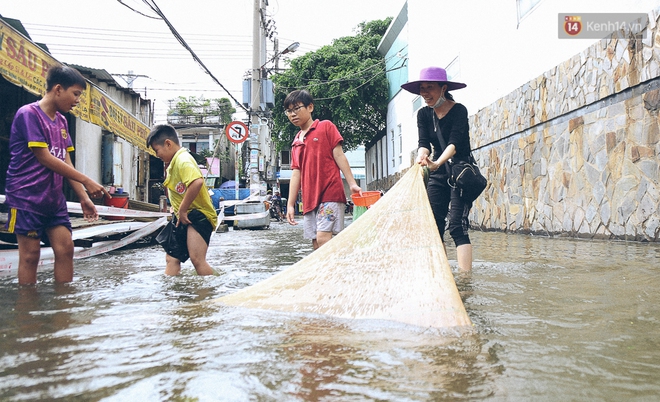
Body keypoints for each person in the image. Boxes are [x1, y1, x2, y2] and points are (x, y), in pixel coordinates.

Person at [5, 65, 109, 285]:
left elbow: (65, 160)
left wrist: (83, 198)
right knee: (30, 256)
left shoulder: (61, 122)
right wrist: (87, 180)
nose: (77, 100)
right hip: (26, 198)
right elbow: (44, 157)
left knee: (66, 250)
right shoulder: (29, 114)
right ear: (58, 89)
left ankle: (64, 310)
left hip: (53, 201)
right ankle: (27, 314)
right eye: (76, 94)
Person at [401, 66, 474, 271]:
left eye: (429, 88)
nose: (424, 93)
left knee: (457, 226)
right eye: (422, 88)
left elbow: (454, 143)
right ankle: (443, 276)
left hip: (460, 172)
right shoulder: (423, 114)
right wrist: (422, 156)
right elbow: (423, 142)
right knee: (434, 225)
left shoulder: (459, 110)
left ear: (443, 88)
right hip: (438, 173)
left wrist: (437, 162)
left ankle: (465, 281)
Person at [284, 89, 362, 249]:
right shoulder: (296, 142)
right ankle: (328, 273)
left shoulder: (326, 127)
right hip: (309, 200)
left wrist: (352, 183)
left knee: (323, 238)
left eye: (297, 108)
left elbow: (339, 156)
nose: (293, 114)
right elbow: (296, 173)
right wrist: (290, 205)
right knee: (316, 244)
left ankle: (339, 270)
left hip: (330, 193)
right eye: (289, 111)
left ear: (310, 107)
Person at [147, 124, 217, 276]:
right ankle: (171, 295)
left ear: (168, 143)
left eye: (157, 150)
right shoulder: (173, 163)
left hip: (198, 215)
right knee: (172, 257)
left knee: (197, 259)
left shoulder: (183, 159)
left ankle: (209, 294)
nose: (157, 155)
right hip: (182, 216)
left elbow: (197, 182)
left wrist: (183, 209)